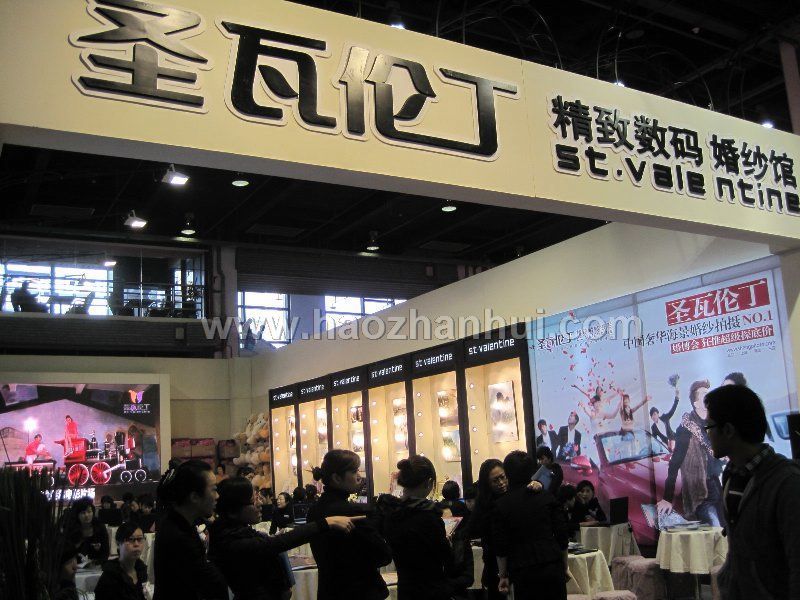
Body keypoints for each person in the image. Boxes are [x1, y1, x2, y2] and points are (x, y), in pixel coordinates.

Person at [703, 384, 800, 599]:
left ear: (728, 430)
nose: (707, 435)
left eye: (709, 427)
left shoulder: (788, 483)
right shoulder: (732, 475)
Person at [210, 477, 362, 600]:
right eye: (253, 501)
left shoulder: (240, 531)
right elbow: (276, 543)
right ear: (233, 509)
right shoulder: (229, 540)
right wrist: (326, 523)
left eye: (258, 498)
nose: (260, 504)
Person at [379, 455, 466, 600]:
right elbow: (446, 559)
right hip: (432, 590)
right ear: (429, 483)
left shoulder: (391, 513)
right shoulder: (429, 517)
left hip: (406, 589)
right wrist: (449, 542)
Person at [309, 449, 392, 600]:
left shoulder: (314, 510)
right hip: (360, 591)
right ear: (336, 478)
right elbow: (382, 555)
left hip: (329, 590)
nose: (359, 476)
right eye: (354, 471)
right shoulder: (350, 511)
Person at [492, 451, 569, 600]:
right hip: (552, 564)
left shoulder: (501, 505)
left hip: (522, 569)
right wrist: (565, 566)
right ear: (532, 471)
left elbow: (500, 546)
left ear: (507, 474)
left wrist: (503, 575)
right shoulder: (547, 497)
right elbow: (562, 535)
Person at [153, 459, 228, 600]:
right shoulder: (177, 537)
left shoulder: (182, 524)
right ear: (194, 497)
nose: (217, 496)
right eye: (213, 490)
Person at [657, 379, 726, 527]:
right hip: (701, 495)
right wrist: (667, 498)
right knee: (717, 530)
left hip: (717, 489)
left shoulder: (712, 424)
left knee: (727, 530)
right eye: (705, 395)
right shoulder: (686, 430)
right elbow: (674, 463)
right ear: (696, 403)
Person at [469, 458, 508, 600]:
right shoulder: (484, 506)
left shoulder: (513, 497)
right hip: (494, 564)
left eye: (502, 477)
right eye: (495, 480)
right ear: (487, 484)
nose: (501, 483)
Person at [94, 521, 149, 600]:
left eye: (140, 539)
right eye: (130, 539)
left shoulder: (141, 569)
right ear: (118, 543)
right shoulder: (110, 576)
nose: (136, 544)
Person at [65, 496, 109, 563]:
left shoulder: (100, 527)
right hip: (77, 565)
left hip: (97, 565)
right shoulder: (72, 529)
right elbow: (68, 553)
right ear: (77, 515)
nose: (86, 515)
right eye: (83, 513)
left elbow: (105, 552)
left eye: (89, 512)